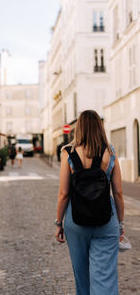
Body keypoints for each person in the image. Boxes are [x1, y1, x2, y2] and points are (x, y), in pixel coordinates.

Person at [55, 110, 124, 295]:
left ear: (80, 128)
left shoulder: (67, 152)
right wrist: (121, 223)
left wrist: (58, 222)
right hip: (106, 219)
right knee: (105, 277)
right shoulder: (110, 152)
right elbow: (118, 192)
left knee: (82, 276)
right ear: (99, 127)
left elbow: (63, 193)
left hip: (75, 221)